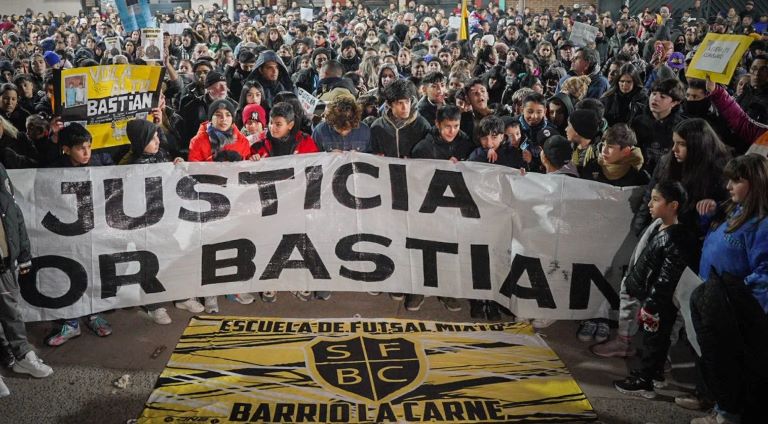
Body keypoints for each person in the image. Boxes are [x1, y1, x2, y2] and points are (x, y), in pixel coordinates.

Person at [689, 154, 768, 424]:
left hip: (733, 310)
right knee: (710, 356)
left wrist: (735, 297)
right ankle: (716, 403)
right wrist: (706, 218)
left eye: (737, 180)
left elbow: (764, 273)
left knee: (728, 364)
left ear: (756, 183)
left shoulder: (762, 223)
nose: (728, 186)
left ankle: (727, 414)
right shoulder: (734, 210)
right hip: (715, 300)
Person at [612, 180, 696, 399]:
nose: (649, 204)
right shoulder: (659, 227)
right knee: (656, 339)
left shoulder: (676, 237)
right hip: (653, 299)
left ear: (673, 205)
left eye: (656, 200)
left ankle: (644, 381)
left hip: (659, 303)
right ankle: (656, 374)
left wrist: (651, 304)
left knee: (653, 341)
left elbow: (667, 278)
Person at [46, 123, 113, 346]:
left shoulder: (99, 163)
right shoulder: (53, 168)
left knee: (93, 271)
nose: (87, 153)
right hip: (66, 234)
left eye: (89, 147)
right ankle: (71, 322)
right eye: (80, 148)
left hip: (94, 230)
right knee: (71, 273)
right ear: (66, 149)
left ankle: (93, 315)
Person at [0, 162, 53, 397]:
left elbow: (13, 211)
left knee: (12, 311)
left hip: (4, 262)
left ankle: (22, 355)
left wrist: (22, 252)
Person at [369, 79, 430, 158]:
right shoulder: (377, 127)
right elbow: (370, 153)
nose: (405, 107)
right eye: (399, 103)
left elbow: (431, 154)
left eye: (407, 102)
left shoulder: (422, 125)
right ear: (389, 104)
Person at [581, 123, 649, 187]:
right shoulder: (592, 166)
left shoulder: (639, 178)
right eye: (604, 145)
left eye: (610, 147)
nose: (604, 151)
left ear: (626, 151)